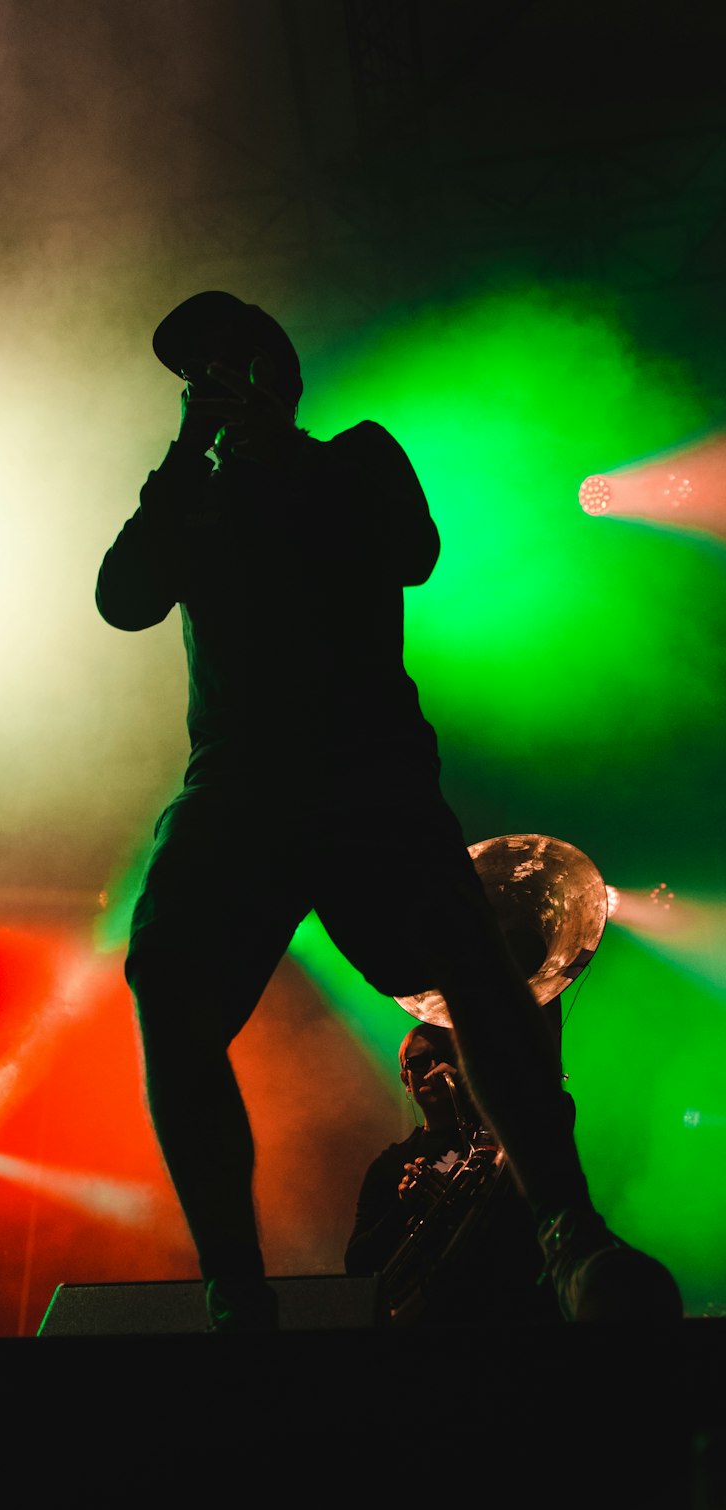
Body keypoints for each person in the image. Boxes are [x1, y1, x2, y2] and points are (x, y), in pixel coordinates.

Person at [95, 289, 683, 1332]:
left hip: (364, 770)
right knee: (166, 985)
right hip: (236, 782)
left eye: (222, 367)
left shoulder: (352, 457)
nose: (203, 388)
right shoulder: (190, 495)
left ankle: (569, 1236)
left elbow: (413, 550)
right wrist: (185, 459)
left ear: (268, 376)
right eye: (192, 377)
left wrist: (271, 454)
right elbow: (123, 595)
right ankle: (235, 1286)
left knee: (475, 972)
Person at [346, 1021, 567, 1326]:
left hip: (508, 1309)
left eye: (447, 1056)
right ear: (406, 1080)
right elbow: (356, 1265)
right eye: (420, 1062)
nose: (435, 1068)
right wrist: (405, 1207)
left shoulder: (502, 1138)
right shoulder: (388, 1164)